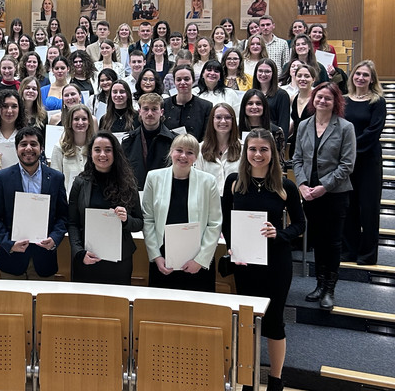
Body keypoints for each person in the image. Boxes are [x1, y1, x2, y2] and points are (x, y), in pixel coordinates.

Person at [222, 130, 305, 391]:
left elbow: (300, 225)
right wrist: (233, 247)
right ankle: (248, 378)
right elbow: (226, 222)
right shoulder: (234, 182)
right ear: (245, 152)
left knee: (274, 322)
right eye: (253, 149)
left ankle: (275, 379)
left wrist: (278, 233)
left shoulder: (285, 186)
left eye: (264, 150)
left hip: (276, 263)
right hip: (245, 263)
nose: (258, 155)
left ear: (273, 153)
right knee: (248, 321)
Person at [293, 83, 356, 309]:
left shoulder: (345, 127)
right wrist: (301, 184)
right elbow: (297, 159)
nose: (322, 102)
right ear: (313, 99)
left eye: (328, 98)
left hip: (335, 194)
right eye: (319, 97)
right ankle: (319, 284)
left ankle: (330, 288)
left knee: (333, 242)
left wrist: (324, 187)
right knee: (318, 241)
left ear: (335, 102)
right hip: (310, 194)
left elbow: (347, 165)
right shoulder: (304, 125)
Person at [142, 133, 222, 292]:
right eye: (179, 150)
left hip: (197, 258)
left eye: (190, 152)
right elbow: (148, 219)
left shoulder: (208, 181)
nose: (184, 156)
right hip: (162, 258)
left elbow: (214, 224)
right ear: (171, 152)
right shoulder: (153, 177)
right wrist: (156, 257)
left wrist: (200, 260)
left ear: (196, 157)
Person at [0, 127, 68, 279]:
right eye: (23, 144)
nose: (28, 148)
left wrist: (55, 239)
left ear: (41, 148)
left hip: (44, 260)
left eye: (33, 144)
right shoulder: (2, 178)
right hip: (12, 260)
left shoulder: (56, 178)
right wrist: (8, 243)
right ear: (16, 149)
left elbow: (63, 216)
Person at [69, 131, 143, 284]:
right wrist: (79, 252)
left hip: (119, 261)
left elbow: (139, 223)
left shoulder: (128, 183)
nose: (102, 154)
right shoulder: (80, 182)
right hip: (87, 258)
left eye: (108, 150)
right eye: (97, 150)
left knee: (117, 305)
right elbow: (72, 223)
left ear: (115, 153)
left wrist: (126, 220)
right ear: (90, 153)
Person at [343, 60, 386, 265]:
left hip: (369, 160)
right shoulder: (343, 100)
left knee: (368, 208)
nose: (361, 77)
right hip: (347, 162)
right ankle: (350, 250)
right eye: (358, 74)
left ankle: (367, 254)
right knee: (349, 206)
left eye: (365, 75)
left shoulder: (377, 101)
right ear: (352, 76)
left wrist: (350, 148)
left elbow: (373, 132)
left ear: (372, 79)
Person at [122, 93, 175, 190]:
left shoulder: (174, 141)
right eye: (146, 109)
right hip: (136, 194)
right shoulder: (128, 142)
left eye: (154, 109)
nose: (150, 113)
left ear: (161, 112)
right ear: (139, 112)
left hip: (165, 193)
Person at [194, 103, 241, 194]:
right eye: (218, 117)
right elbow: (197, 181)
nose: (223, 121)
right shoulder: (200, 148)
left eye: (227, 117)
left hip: (234, 203)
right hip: (208, 202)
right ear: (212, 120)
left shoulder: (243, 148)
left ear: (233, 121)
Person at [51, 105, 95, 197]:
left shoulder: (95, 148)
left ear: (89, 122)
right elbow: (54, 180)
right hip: (67, 202)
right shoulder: (59, 147)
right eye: (76, 119)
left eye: (84, 119)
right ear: (70, 122)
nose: (80, 122)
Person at [162, 65, 212, 141]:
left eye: (186, 79)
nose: (182, 82)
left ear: (193, 80)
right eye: (178, 79)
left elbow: (206, 137)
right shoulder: (164, 104)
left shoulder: (206, 107)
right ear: (174, 82)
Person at [239, 89, 287, 161]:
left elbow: (280, 162)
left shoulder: (277, 131)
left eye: (258, 103)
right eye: (250, 103)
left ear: (264, 107)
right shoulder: (235, 131)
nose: (254, 107)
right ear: (244, 107)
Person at [252, 59, 290, 134]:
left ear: (274, 73)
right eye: (260, 71)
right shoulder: (251, 94)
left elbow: (284, 125)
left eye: (267, 71)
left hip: (272, 138)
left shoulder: (282, 95)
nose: (263, 74)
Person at [289, 63, 316, 157]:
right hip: (296, 144)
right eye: (299, 76)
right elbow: (296, 122)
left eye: (307, 76)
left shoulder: (317, 99)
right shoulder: (293, 98)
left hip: (312, 145)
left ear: (313, 79)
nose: (302, 79)